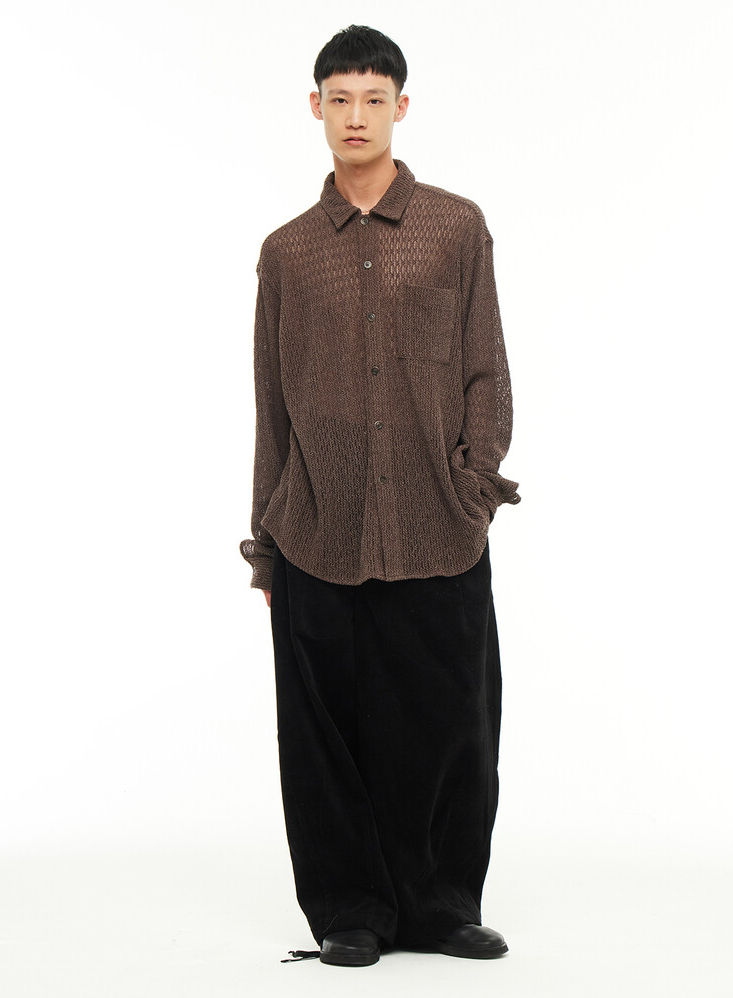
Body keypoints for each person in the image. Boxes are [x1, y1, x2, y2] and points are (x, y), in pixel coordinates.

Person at [239, 24, 521, 967]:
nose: (355, 115)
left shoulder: (456, 227)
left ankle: (439, 908)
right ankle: (350, 911)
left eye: (373, 98)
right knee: (326, 736)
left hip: (439, 525)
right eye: (339, 98)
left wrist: (472, 488)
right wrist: (266, 546)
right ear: (314, 107)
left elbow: (485, 368)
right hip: (316, 526)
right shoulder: (287, 252)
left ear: (401, 107)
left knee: (449, 724)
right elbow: (271, 405)